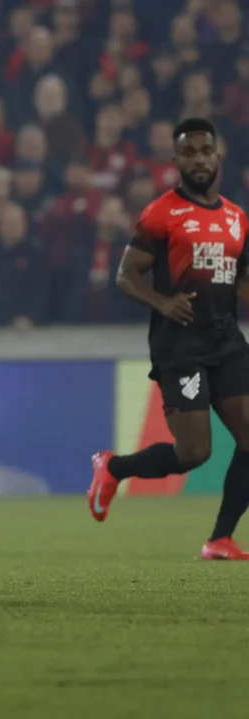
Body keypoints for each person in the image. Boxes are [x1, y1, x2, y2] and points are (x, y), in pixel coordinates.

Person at [89, 117, 249, 560]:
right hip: (180, 347)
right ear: (176, 160)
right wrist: (161, 302)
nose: (199, 159)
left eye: (206, 151)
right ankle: (114, 467)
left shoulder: (237, 218)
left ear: (218, 156)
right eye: (189, 152)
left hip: (227, 343)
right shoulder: (161, 213)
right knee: (195, 452)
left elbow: (241, 281)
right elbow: (126, 275)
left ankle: (220, 539)